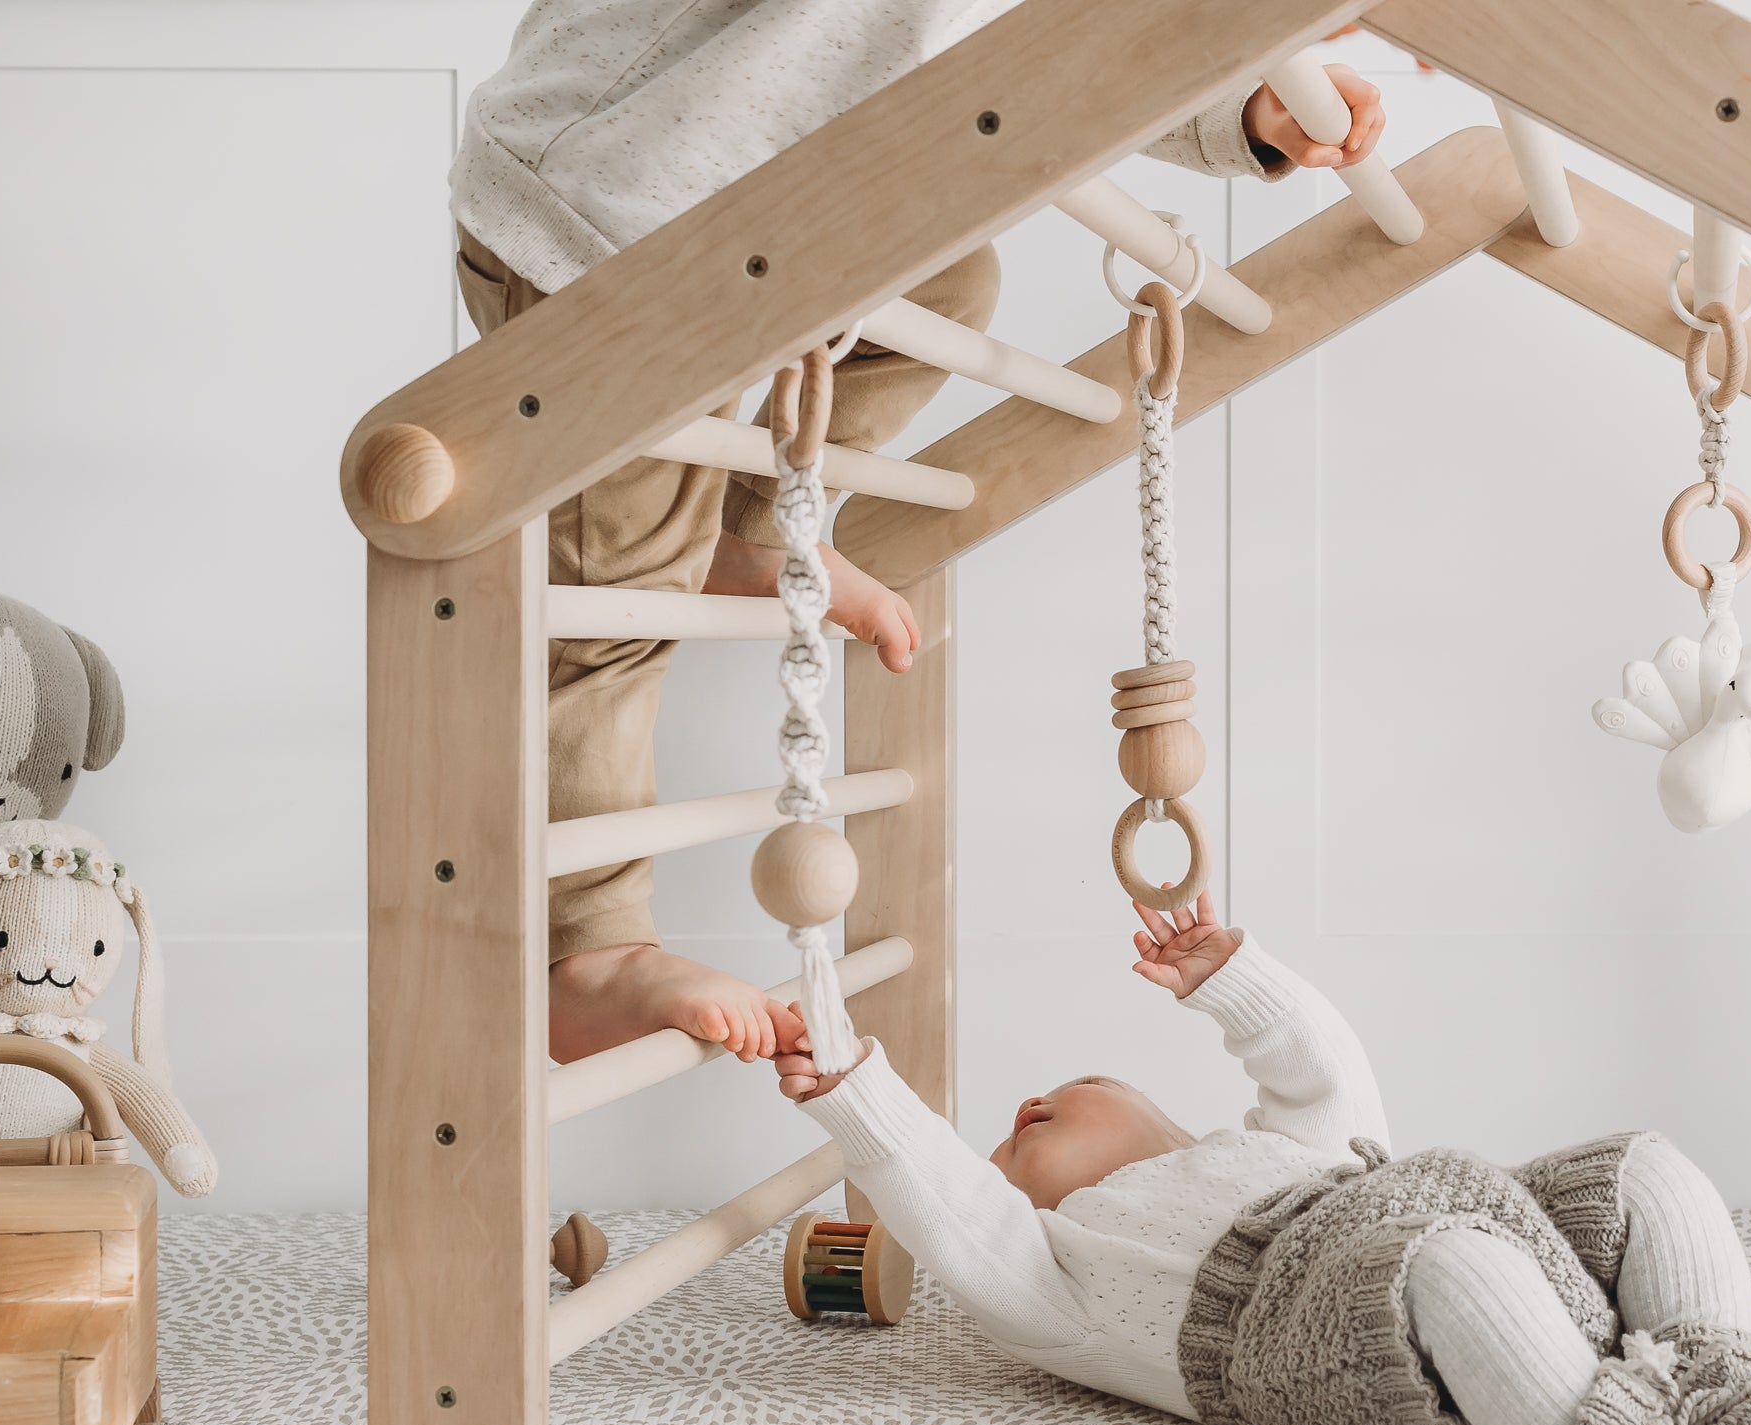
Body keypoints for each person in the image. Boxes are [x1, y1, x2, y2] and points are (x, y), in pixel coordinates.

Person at [450, 1, 1388, 1064]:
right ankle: (587, 952)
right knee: (616, 603)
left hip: (778, 211)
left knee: (949, 280)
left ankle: (761, 533)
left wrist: (1241, 105)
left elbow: (1064, 42)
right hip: (611, 216)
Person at [773, 890, 1751, 1425]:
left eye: (1067, 1087)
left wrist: (1237, 984)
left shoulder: (1295, 1149)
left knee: (1644, 1170)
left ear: (1157, 1107)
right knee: (1451, 1265)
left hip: (1481, 1241)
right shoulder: (1067, 1273)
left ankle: (1716, 1382)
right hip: (1328, 1348)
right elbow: (962, 1221)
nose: (1016, 1120)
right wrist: (858, 1092)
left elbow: (1325, 1070)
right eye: (1006, 1154)